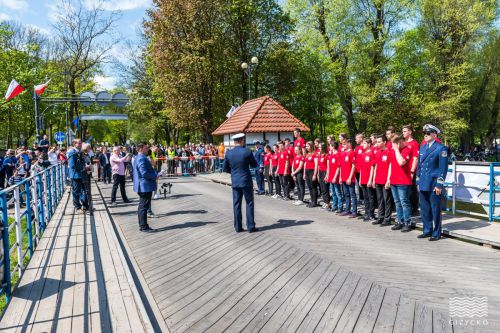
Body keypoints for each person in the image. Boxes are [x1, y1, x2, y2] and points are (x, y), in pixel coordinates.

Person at [417, 124, 449, 241]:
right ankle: (427, 230)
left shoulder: (441, 148)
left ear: (434, 134)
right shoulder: (422, 148)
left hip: (434, 183)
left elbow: (443, 168)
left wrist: (440, 184)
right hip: (424, 182)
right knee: (424, 208)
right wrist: (418, 180)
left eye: (428, 133)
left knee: (435, 209)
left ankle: (436, 233)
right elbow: (419, 166)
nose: (425, 135)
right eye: (424, 133)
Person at [223, 133, 258, 233]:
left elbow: (225, 168)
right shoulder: (247, 151)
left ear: (234, 142)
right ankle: (251, 226)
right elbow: (254, 164)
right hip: (246, 181)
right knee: (249, 203)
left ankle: (238, 227)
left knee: (236, 204)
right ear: (242, 140)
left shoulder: (229, 153)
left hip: (235, 181)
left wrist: (234, 172)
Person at [387, 135, 412, 232]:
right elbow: (391, 165)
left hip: (403, 181)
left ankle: (407, 222)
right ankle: (400, 221)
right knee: (397, 203)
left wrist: (397, 150)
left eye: (394, 144)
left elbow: (401, 162)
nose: (392, 146)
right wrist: (388, 178)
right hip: (394, 180)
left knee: (404, 202)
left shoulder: (407, 149)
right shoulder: (392, 151)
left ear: (400, 142)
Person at [133, 143, 158, 232]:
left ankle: (143, 225)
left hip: (144, 185)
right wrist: (155, 175)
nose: (148, 149)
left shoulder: (140, 157)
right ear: (140, 149)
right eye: (146, 148)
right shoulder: (141, 158)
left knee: (143, 206)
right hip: (144, 186)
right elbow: (144, 173)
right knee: (143, 206)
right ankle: (143, 226)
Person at [373, 135, 393, 226]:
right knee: (379, 199)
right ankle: (380, 217)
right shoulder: (377, 152)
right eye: (376, 142)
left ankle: (387, 218)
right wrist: (374, 179)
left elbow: (390, 166)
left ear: (384, 142)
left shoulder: (388, 152)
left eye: (379, 142)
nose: (377, 143)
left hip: (385, 180)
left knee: (387, 200)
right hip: (378, 179)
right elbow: (376, 166)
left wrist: (388, 179)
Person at [67, 139, 89, 212]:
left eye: (80, 143)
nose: (80, 144)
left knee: (85, 190)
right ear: (74, 144)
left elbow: (82, 161)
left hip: (82, 174)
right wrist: (83, 167)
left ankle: (86, 206)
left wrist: (86, 166)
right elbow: (72, 165)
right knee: (76, 191)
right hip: (75, 175)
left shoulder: (80, 152)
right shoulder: (72, 153)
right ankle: (78, 207)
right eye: (78, 143)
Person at [402, 125, 420, 216]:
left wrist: (412, 171)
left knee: (412, 190)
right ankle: (407, 209)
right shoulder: (404, 143)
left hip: (410, 171)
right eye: (403, 131)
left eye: (405, 131)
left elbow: (415, 158)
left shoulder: (414, 143)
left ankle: (415, 209)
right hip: (403, 170)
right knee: (405, 191)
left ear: (410, 132)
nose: (403, 133)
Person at [339, 139, 357, 218]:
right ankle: (347, 209)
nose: (343, 145)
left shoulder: (351, 152)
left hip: (350, 178)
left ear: (349, 144)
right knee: (346, 194)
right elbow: (341, 166)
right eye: (342, 144)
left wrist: (350, 177)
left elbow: (353, 166)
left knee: (352, 195)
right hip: (343, 177)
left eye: (344, 144)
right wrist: (340, 177)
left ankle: (354, 211)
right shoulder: (343, 153)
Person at [359, 138, 376, 221]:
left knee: (371, 197)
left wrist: (370, 179)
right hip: (363, 179)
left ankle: (371, 214)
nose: (363, 145)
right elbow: (361, 168)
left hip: (369, 179)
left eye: (365, 143)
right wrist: (360, 179)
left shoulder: (371, 153)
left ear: (369, 144)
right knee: (365, 197)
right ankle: (366, 213)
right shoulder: (362, 154)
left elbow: (373, 167)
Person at [326, 142, 343, 213]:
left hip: (335, 177)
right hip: (330, 176)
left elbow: (338, 167)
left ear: (333, 146)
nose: (329, 148)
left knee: (338, 192)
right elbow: (329, 166)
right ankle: (334, 206)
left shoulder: (338, 154)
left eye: (330, 146)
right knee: (333, 193)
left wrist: (335, 177)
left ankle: (340, 207)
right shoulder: (331, 155)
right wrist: (327, 175)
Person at [304, 141, 319, 208]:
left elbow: (316, 165)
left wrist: (315, 174)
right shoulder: (307, 154)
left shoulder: (315, 154)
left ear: (311, 146)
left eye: (308, 146)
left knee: (313, 187)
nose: (306, 148)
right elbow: (305, 164)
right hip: (307, 172)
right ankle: (312, 201)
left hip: (312, 171)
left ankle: (315, 202)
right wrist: (304, 173)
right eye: (306, 146)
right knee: (309, 187)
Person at [318, 143, 330, 209]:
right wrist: (317, 174)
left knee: (325, 189)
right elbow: (319, 165)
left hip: (325, 172)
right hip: (320, 172)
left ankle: (327, 203)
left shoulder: (327, 155)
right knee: (322, 189)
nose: (319, 148)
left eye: (320, 147)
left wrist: (327, 175)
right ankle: (325, 202)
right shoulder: (320, 155)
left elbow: (328, 166)